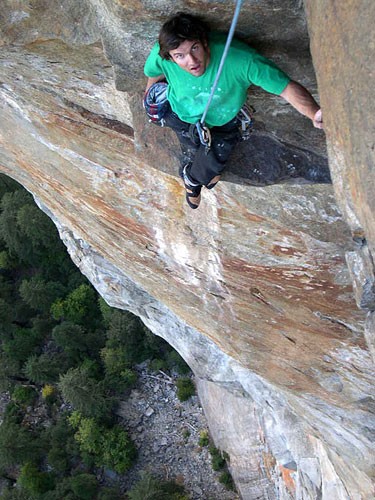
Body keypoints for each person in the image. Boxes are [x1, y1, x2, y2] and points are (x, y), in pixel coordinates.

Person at [143, 12, 323, 209]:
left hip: (224, 119)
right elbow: (153, 72)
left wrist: (313, 113)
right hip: (181, 114)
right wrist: (149, 98)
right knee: (197, 149)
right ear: (170, 56)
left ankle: (191, 179)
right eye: (180, 56)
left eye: (194, 48)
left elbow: (286, 87)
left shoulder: (240, 60)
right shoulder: (162, 54)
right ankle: (198, 168)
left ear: (204, 42)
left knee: (215, 159)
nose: (192, 61)